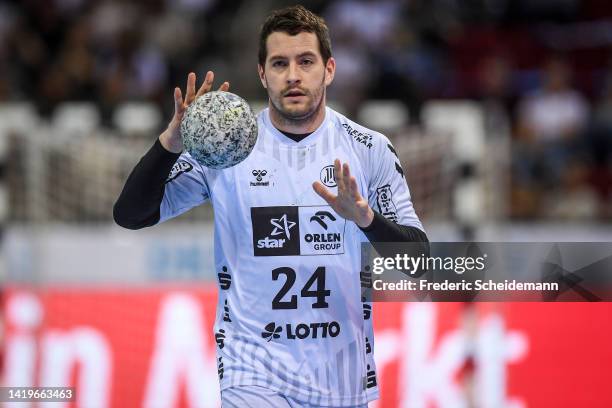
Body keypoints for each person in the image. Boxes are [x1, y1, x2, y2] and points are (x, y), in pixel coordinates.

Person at [114, 5, 427, 407]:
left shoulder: (368, 149)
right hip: (252, 372)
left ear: (329, 69)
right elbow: (130, 215)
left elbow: (419, 260)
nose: (293, 75)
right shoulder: (227, 145)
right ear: (262, 74)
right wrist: (169, 146)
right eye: (279, 63)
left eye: (306, 61)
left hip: (342, 377)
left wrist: (365, 219)